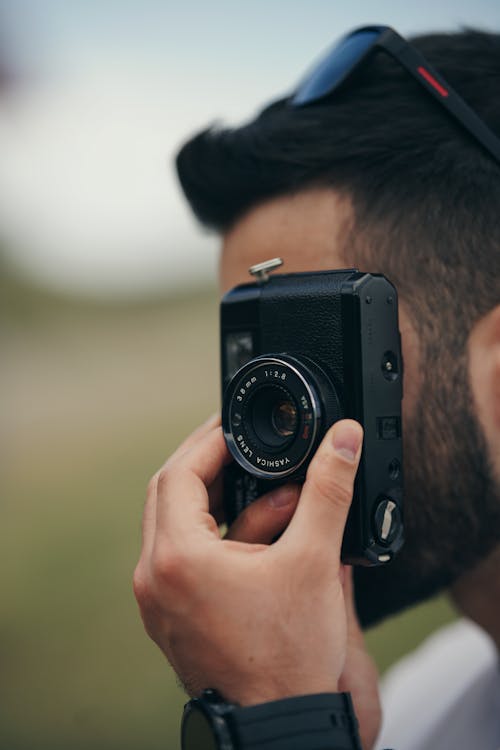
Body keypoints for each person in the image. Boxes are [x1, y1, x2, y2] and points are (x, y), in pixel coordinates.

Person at [133, 26, 500, 750]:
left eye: (322, 349)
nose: (266, 429)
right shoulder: (419, 706)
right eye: (251, 353)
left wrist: (276, 722)